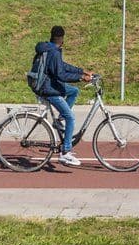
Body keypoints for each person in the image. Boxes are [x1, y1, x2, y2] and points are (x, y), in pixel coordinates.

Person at [29, 24, 92, 167]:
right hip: (48, 89)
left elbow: (61, 66)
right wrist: (81, 78)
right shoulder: (54, 52)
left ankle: (59, 120)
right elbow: (61, 75)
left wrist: (82, 71)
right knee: (70, 118)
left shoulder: (49, 48)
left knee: (74, 91)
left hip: (47, 84)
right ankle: (65, 152)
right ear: (62, 39)